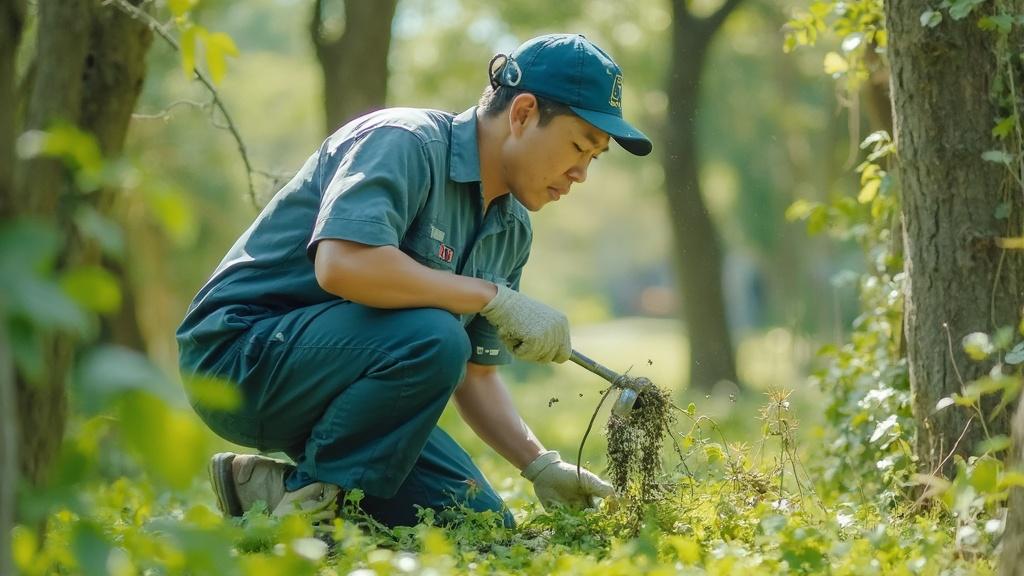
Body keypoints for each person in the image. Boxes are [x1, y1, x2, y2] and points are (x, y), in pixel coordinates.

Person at [176, 33, 652, 529]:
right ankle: (309, 506)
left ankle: (264, 489)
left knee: (480, 522)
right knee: (434, 335)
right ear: (523, 113)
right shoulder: (404, 141)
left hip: (336, 392)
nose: (581, 174)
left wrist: (540, 464)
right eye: (579, 145)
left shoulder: (511, 229)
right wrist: (491, 297)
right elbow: (342, 265)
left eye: (594, 158)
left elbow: (475, 373)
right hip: (238, 360)